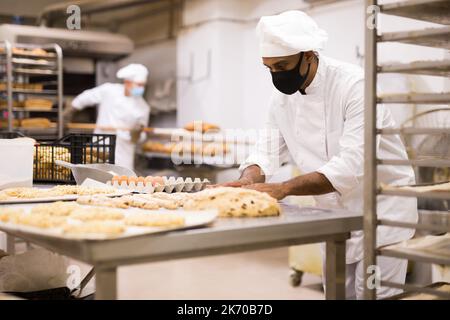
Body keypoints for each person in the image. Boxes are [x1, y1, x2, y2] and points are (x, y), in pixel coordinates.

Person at [221, 10, 418, 299]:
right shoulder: (281, 100)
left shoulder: (355, 86)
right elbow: (266, 151)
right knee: (337, 295)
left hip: (381, 214)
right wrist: (248, 178)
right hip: (334, 216)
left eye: (283, 65)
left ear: (309, 54)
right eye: (270, 68)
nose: (277, 75)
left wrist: (282, 189)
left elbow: (351, 166)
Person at [65, 63, 150, 169]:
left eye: (143, 85)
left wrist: (137, 135)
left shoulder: (143, 107)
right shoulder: (109, 91)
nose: (141, 88)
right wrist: (72, 109)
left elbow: (142, 135)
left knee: (121, 181)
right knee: (95, 179)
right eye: (139, 85)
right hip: (100, 147)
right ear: (127, 82)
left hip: (123, 154)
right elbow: (87, 96)